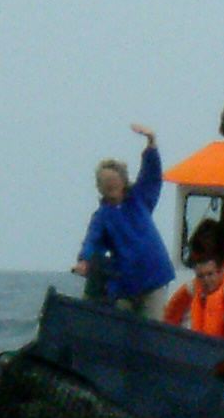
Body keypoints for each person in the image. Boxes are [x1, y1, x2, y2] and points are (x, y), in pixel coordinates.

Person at [72, 124, 175, 318]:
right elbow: (92, 241)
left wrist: (151, 144)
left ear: (123, 180)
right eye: (105, 182)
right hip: (125, 284)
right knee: (119, 320)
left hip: (154, 277)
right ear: (99, 187)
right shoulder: (102, 217)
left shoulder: (139, 198)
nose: (110, 185)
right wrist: (84, 260)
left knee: (152, 324)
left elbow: (151, 176)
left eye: (114, 180)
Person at [164, 255, 224, 341]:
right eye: (201, 276)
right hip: (198, 345)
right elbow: (169, 319)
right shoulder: (190, 291)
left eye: (210, 274)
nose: (206, 280)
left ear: (221, 273)